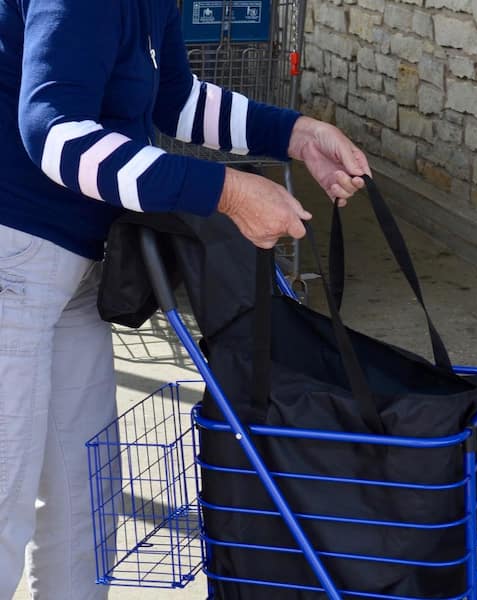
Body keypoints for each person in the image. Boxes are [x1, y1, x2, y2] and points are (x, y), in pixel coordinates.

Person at [0, 0, 371, 597]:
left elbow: (172, 96)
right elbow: (55, 131)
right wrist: (223, 190)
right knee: (5, 497)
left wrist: (296, 136)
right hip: (13, 260)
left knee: (85, 497)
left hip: (69, 266)